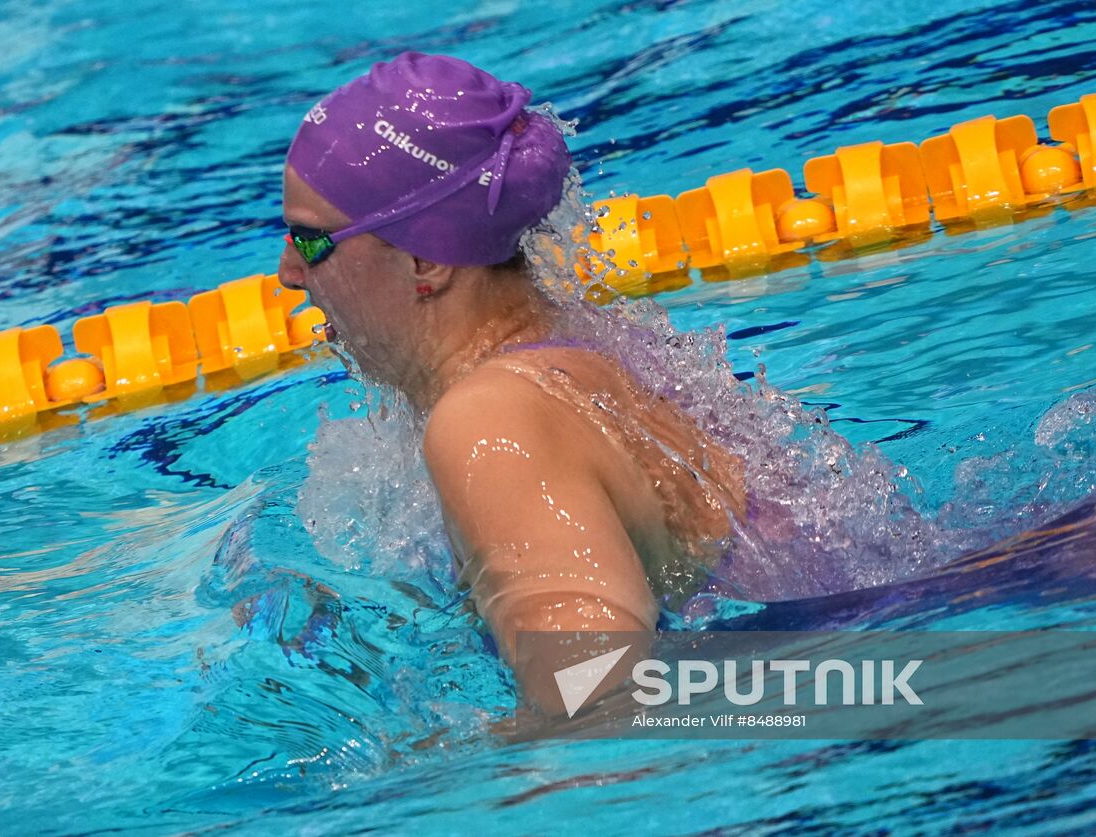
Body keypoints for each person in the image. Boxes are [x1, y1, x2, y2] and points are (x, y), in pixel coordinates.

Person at [278, 52, 746, 709]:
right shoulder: (586, 351)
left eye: (311, 241)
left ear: (424, 260)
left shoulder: (488, 420)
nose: (287, 272)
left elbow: (598, 706)